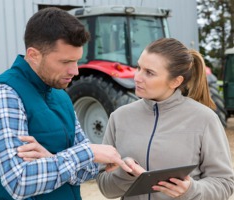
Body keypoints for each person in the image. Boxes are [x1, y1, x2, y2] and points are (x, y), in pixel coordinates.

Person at [0, 7, 132, 200]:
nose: (75, 71)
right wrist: (86, 152)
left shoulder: (61, 95)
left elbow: (85, 170)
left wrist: (52, 159)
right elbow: (19, 182)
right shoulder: (3, 96)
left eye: (77, 60)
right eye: (65, 62)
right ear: (33, 55)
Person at [96, 38, 234, 200]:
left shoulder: (205, 119)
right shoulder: (119, 117)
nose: (137, 77)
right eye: (139, 67)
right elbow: (106, 189)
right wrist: (126, 174)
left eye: (149, 72)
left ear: (176, 81)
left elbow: (225, 184)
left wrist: (190, 190)